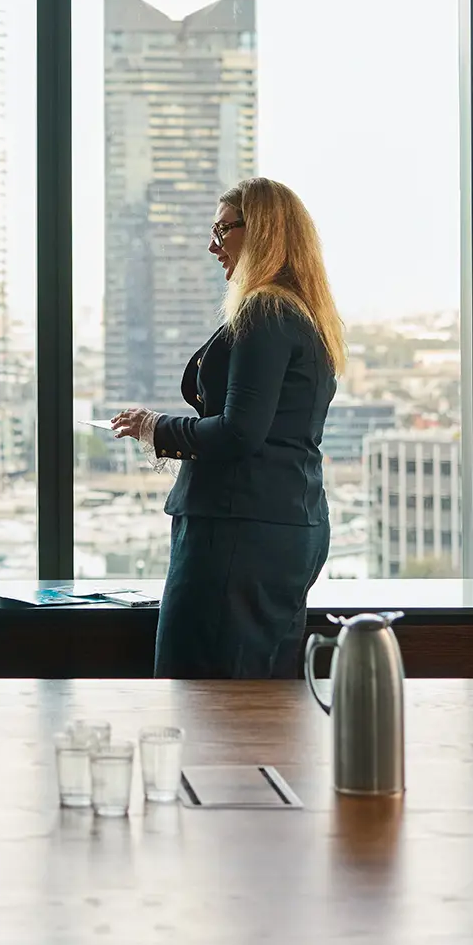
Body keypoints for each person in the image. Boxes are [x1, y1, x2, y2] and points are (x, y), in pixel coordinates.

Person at [112, 177, 343, 679]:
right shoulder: (304, 315)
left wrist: (154, 427)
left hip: (238, 527)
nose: (212, 244)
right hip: (285, 520)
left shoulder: (265, 309)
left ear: (260, 231)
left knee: (201, 692)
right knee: (259, 692)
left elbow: (240, 434)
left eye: (222, 230)